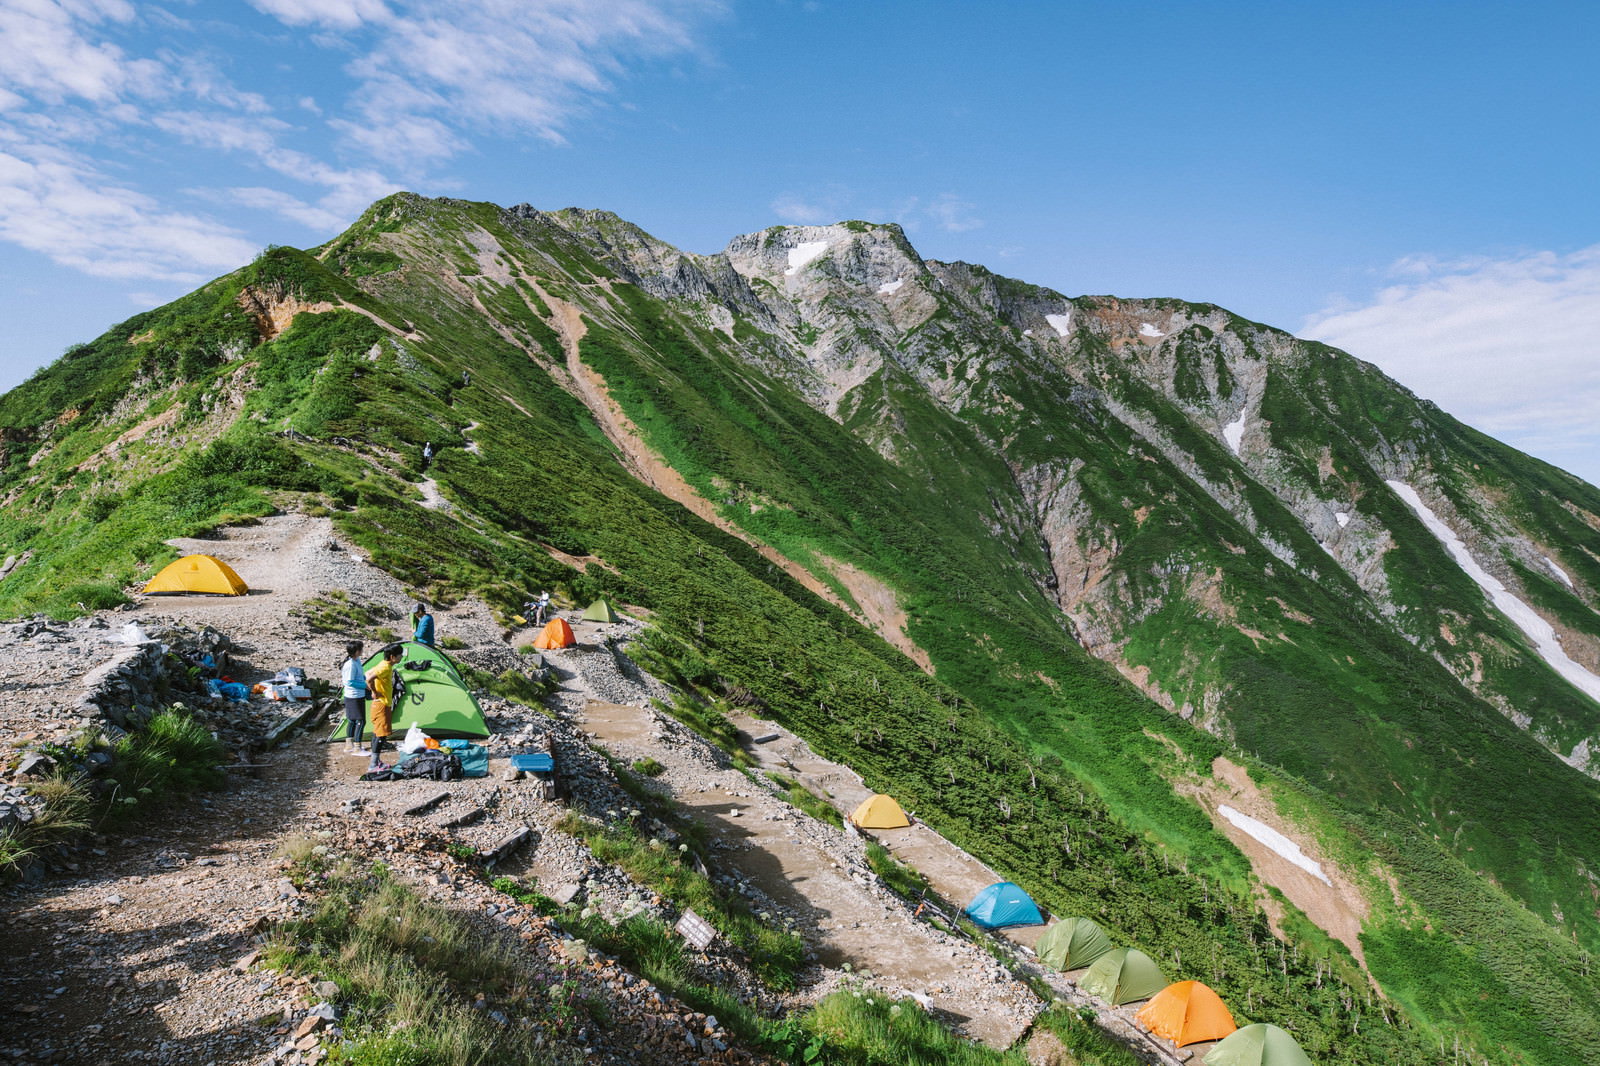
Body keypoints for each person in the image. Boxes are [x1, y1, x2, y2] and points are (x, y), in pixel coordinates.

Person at [365, 643, 403, 764]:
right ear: (392, 657)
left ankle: (376, 762)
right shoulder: (385, 667)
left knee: (378, 733)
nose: (401, 657)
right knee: (380, 735)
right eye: (399, 655)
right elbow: (369, 678)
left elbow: (368, 672)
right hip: (381, 704)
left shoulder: (383, 664)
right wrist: (374, 692)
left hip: (381, 704)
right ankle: (373, 764)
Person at [340, 641, 369, 755]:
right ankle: (357, 747)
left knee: (352, 720)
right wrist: (365, 686)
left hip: (356, 695)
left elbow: (359, 676)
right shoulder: (350, 664)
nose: (362, 650)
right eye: (361, 649)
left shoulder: (356, 661)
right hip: (354, 696)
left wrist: (366, 678)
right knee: (360, 721)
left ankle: (349, 745)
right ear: (357, 651)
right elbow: (350, 682)